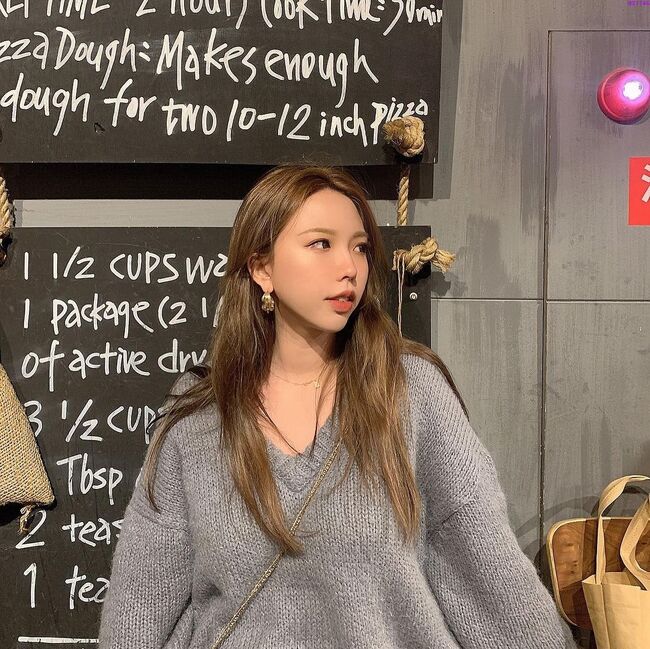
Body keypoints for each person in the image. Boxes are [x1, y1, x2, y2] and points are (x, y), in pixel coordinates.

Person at [98, 165, 578, 648]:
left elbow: (489, 571)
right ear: (262, 268)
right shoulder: (201, 413)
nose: (349, 266)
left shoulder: (409, 392)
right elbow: (140, 600)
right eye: (321, 244)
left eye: (360, 247)